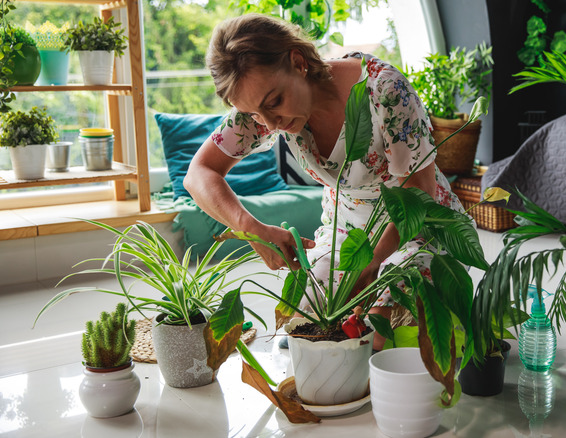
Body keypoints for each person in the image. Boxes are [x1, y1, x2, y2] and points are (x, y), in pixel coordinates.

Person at [184, 13, 469, 350]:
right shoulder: (261, 108)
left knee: (379, 335)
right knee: (310, 333)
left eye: (273, 103)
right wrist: (248, 226)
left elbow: (419, 191)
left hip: (416, 228)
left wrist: (374, 259)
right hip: (346, 232)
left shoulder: (384, 91)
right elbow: (199, 172)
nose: (270, 123)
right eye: (256, 114)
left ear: (298, 62)